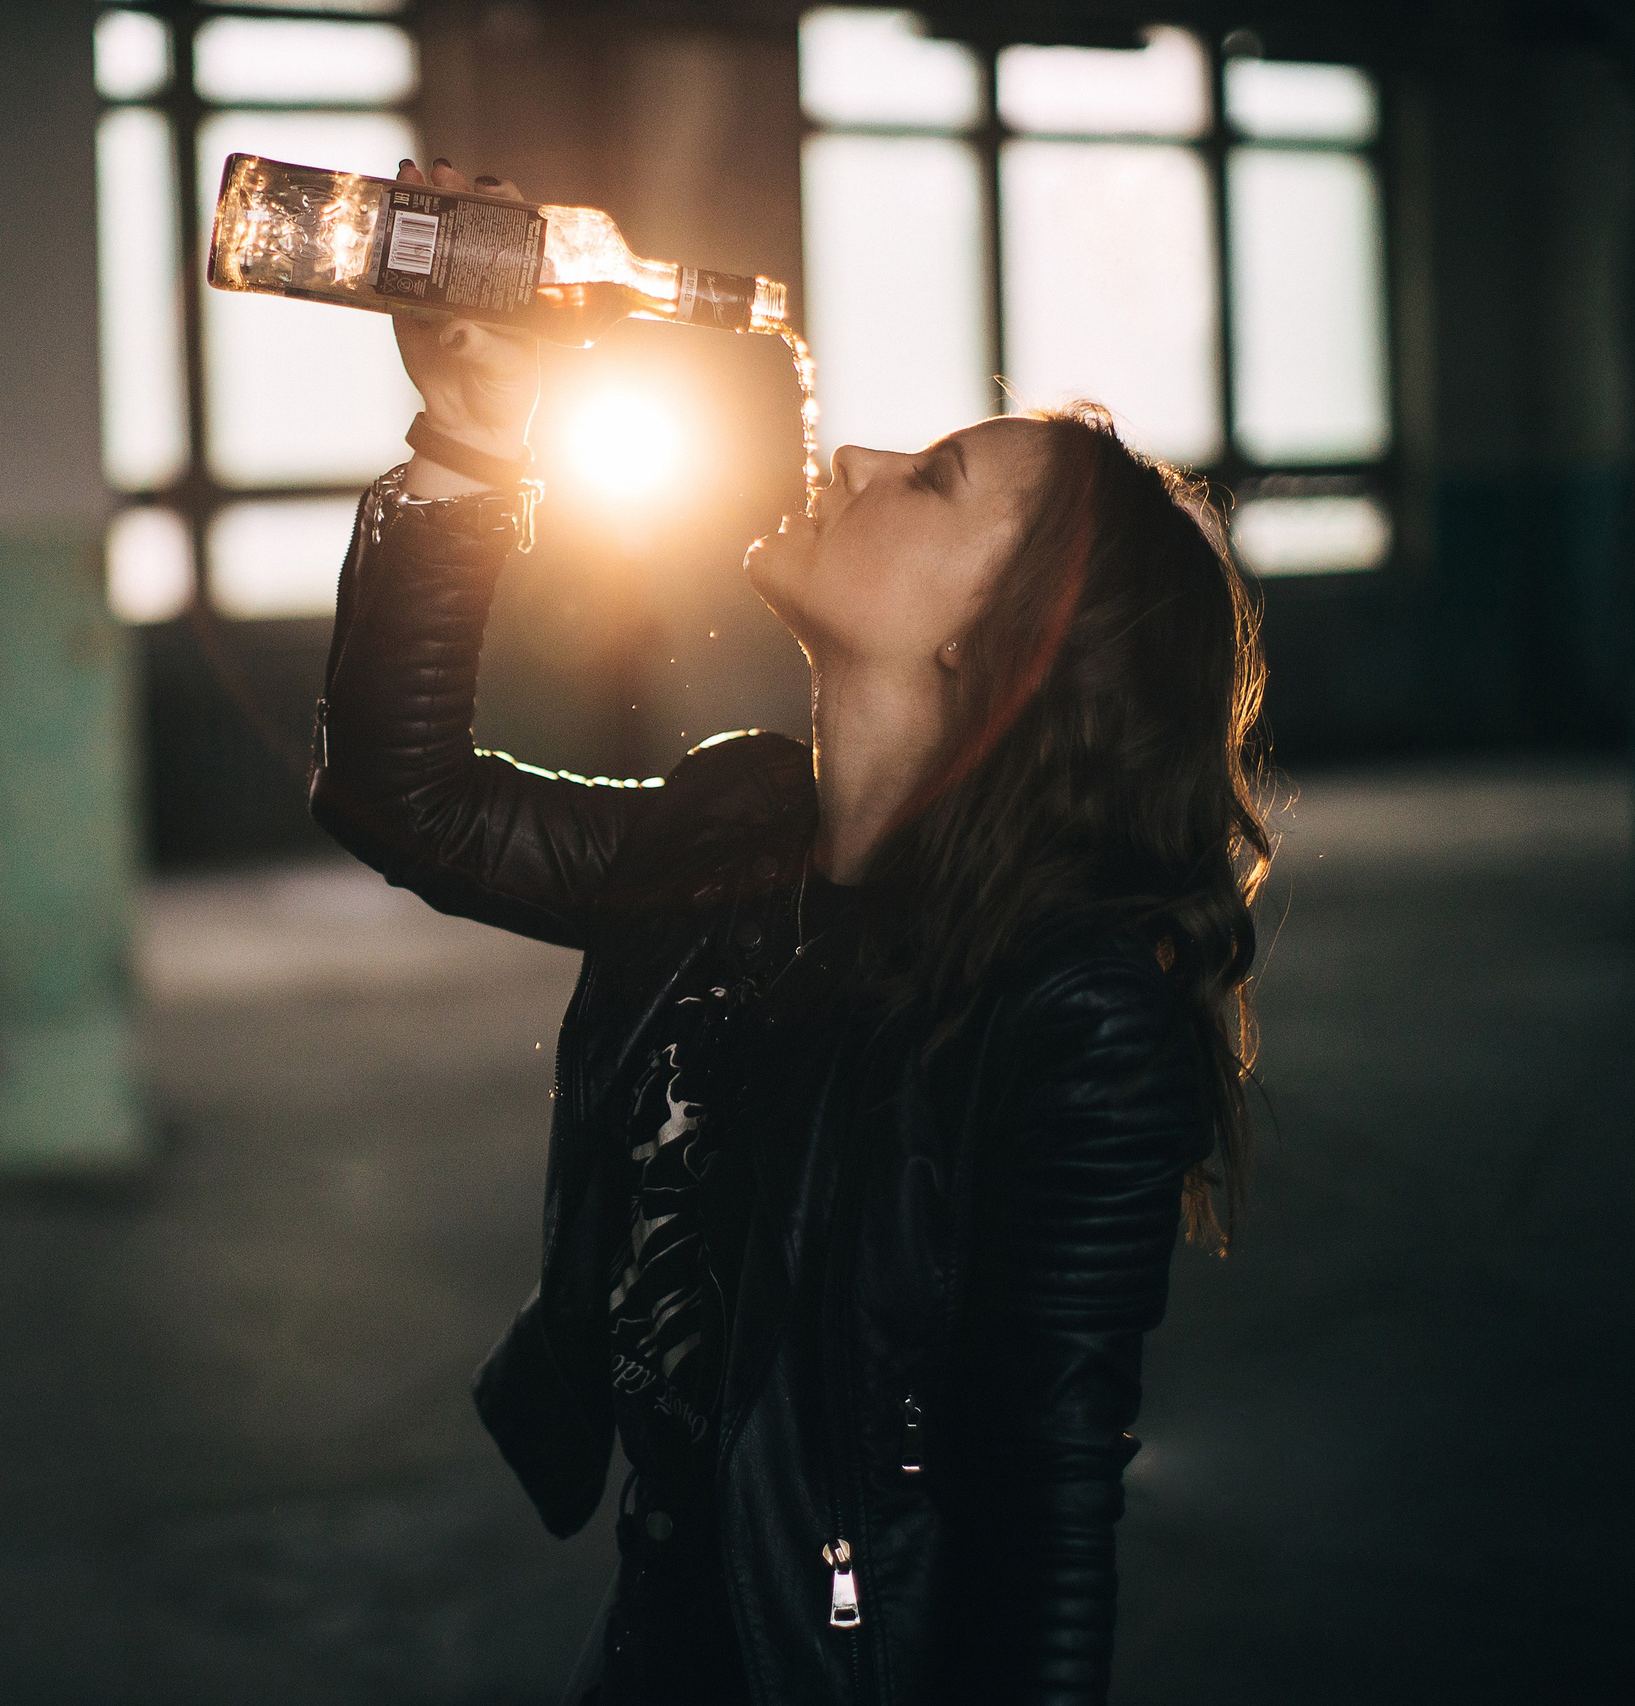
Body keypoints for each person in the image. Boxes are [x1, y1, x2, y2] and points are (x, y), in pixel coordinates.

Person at [310, 160, 1274, 1706]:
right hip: (665, 1628)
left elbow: (1047, 1501)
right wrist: (471, 432)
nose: (872, 452)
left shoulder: (1077, 1013)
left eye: (939, 481)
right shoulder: (737, 832)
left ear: (993, 640)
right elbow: (403, 797)